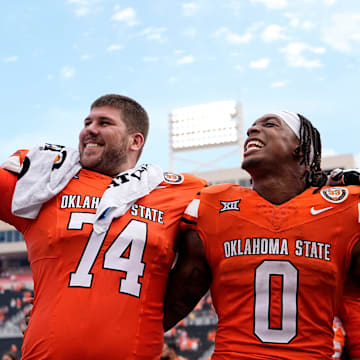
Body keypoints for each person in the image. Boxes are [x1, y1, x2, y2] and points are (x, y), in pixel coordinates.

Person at [0, 94, 207, 359]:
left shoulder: (179, 191)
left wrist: (154, 321)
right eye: (87, 121)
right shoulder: (47, 180)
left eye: (104, 122)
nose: (90, 129)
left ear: (135, 140)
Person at [163, 111, 360, 359]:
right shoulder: (214, 204)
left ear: (299, 148)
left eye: (270, 124)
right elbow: (176, 302)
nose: (251, 130)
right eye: (253, 125)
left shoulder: (345, 208)